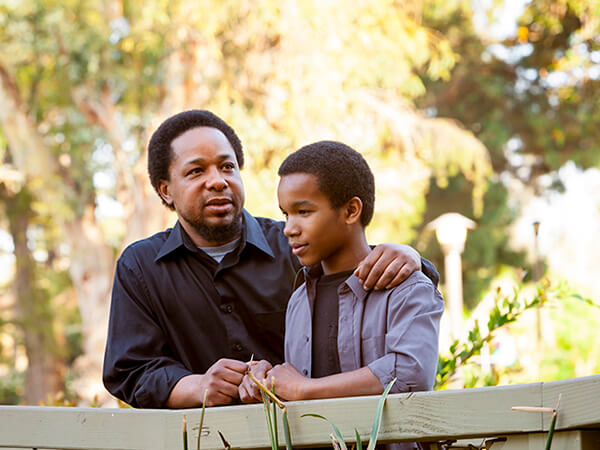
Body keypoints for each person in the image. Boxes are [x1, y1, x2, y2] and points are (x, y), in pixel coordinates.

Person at [103, 110, 439, 409]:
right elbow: (129, 371)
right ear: (166, 190)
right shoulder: (140, 266)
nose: (217, 181)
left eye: (227, 166)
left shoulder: (295, 247)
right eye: (196, 171)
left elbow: (358, 269)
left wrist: (412, 258)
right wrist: (199, 386)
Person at [240, 141, 443, 449]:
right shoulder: (298, 301)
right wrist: (266, 383)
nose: (289, 228)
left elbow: (411, 373)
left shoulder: (407, 288)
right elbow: (293, 391)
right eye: (286, 214)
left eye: (303, 212)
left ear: (351, 211)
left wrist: (306, 389)